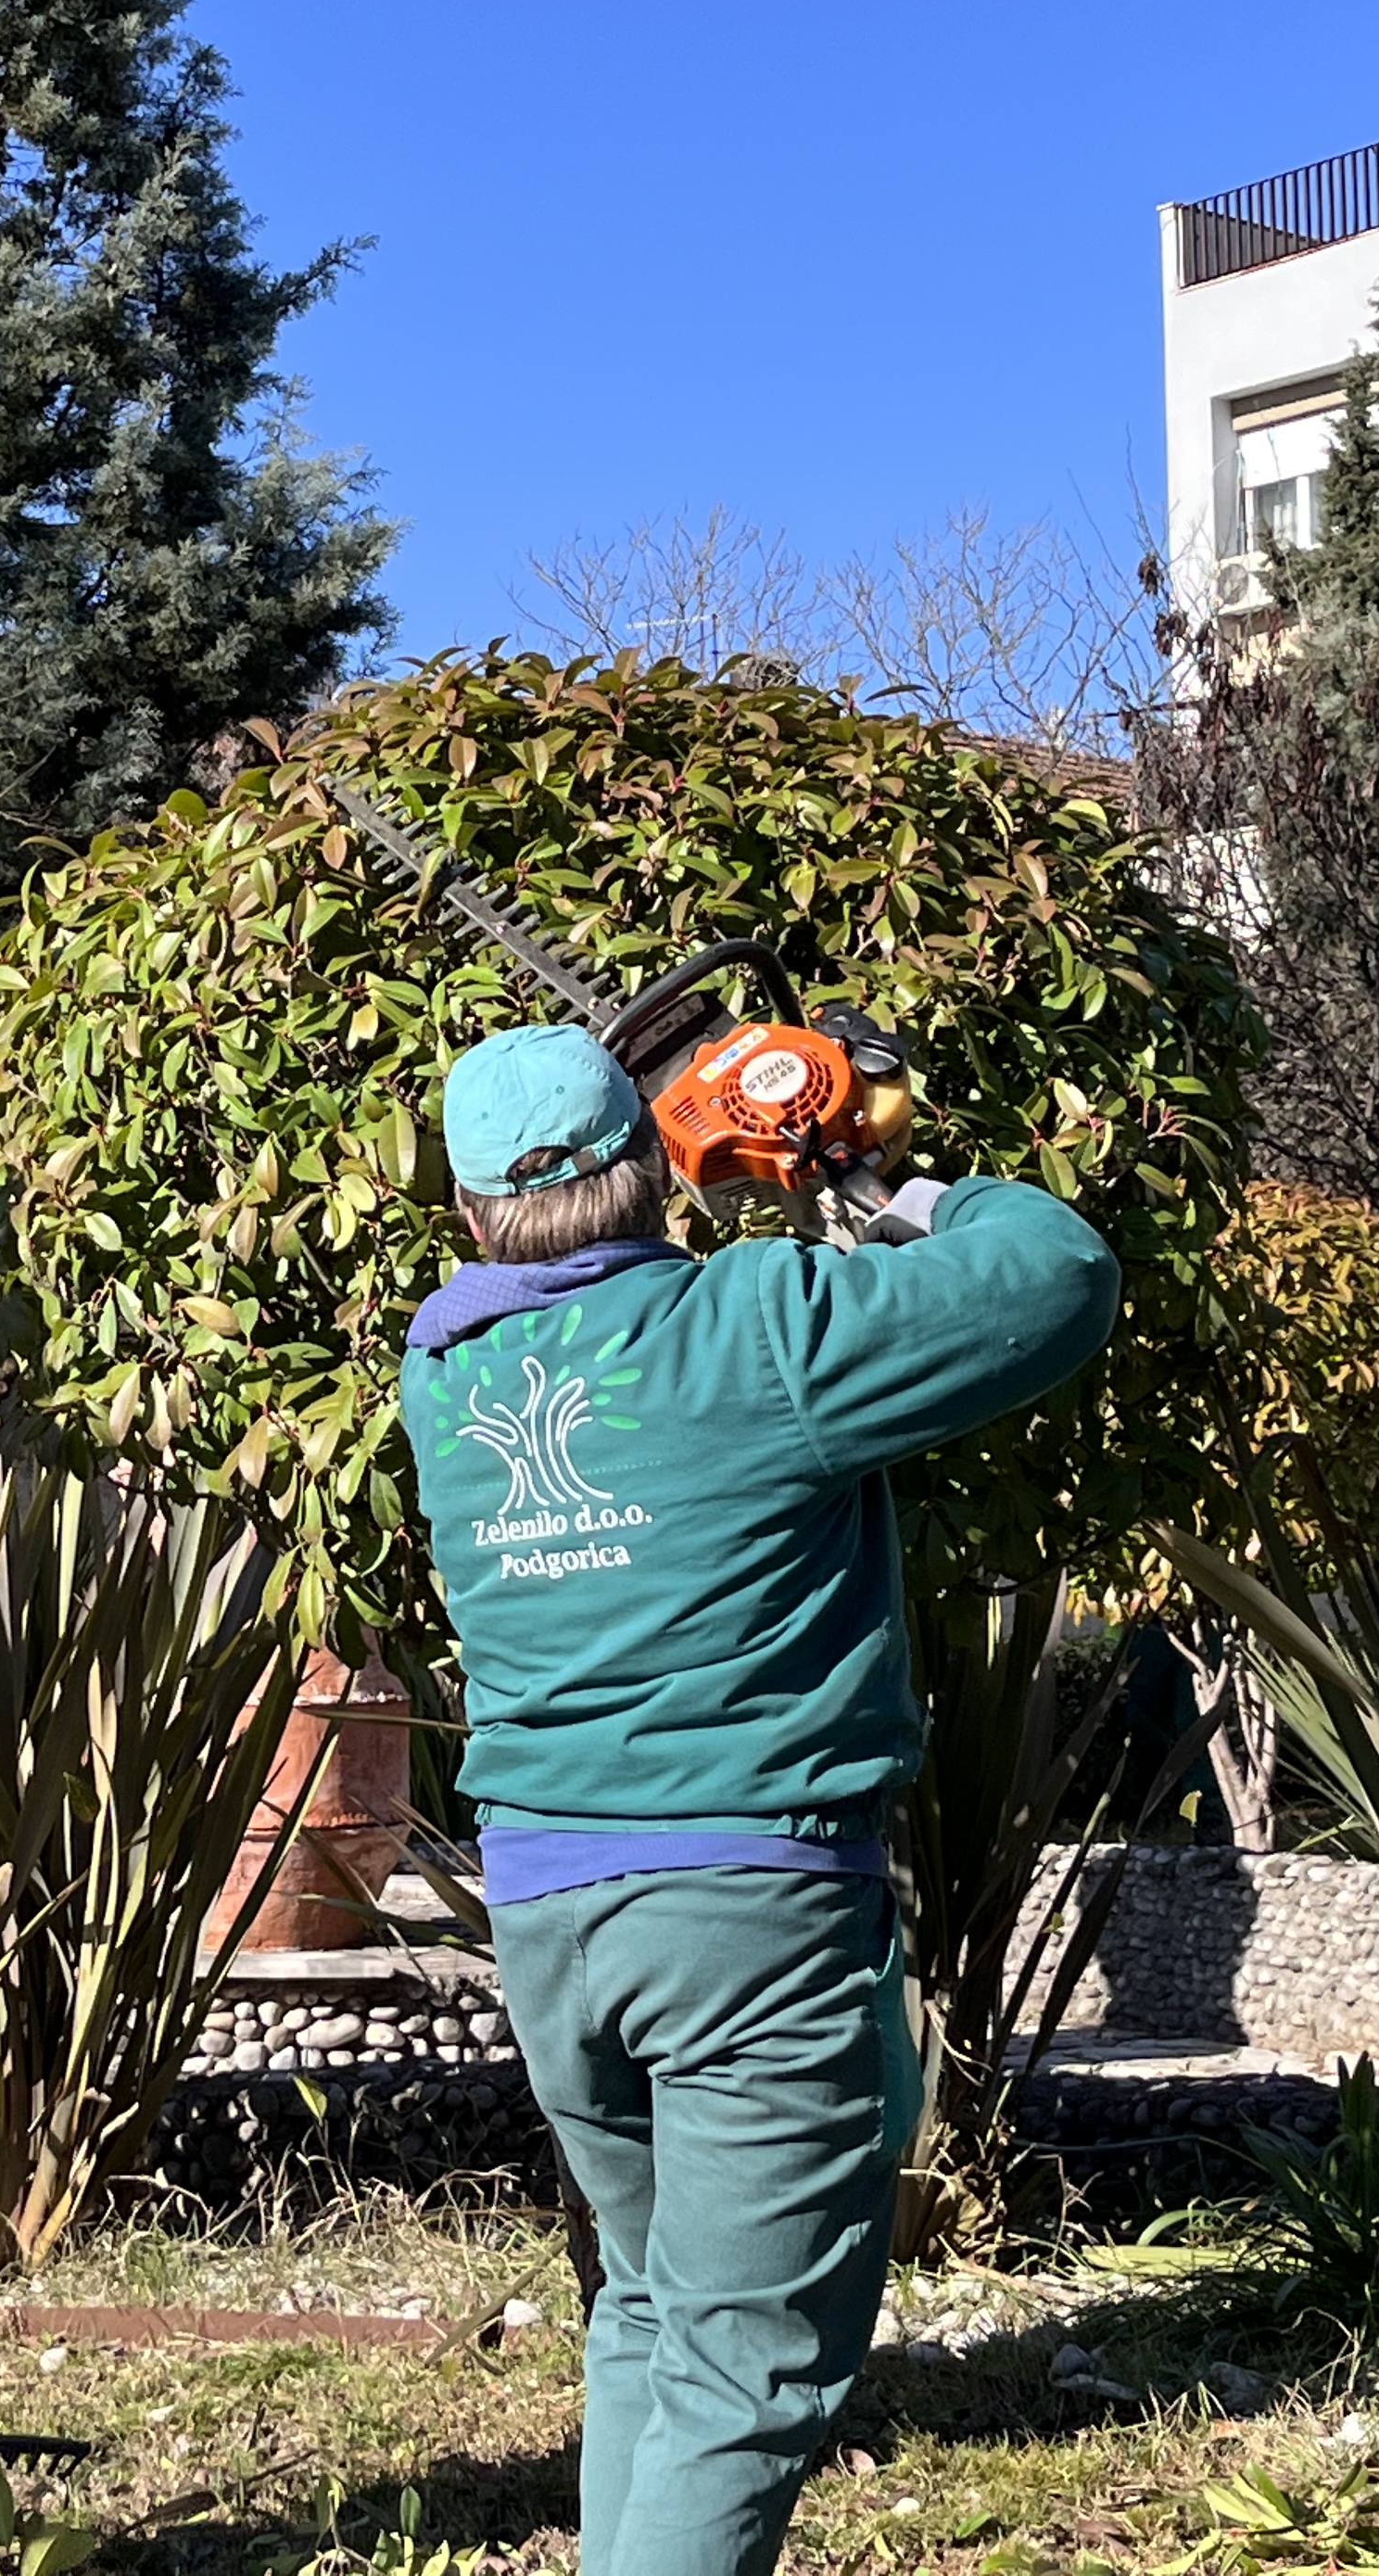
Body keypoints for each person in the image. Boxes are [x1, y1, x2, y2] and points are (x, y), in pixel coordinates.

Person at [399, 1021, 1118, 2576]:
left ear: (467, 1217)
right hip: (745, 1914)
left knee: (654, 2308)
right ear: (660, 1166)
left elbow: (599, 1289)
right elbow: (1054, 1272)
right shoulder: (757, 1328)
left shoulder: (444, 1376)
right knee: (748, 2373)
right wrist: (868, 1178)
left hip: (547, 1913)